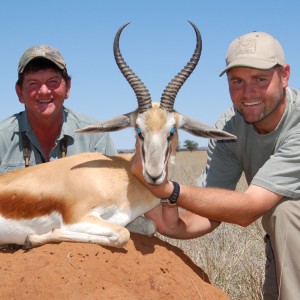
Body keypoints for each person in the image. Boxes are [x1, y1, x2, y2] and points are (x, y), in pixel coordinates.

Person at [131, 31, 300, 300]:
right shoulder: (231, 125)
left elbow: (248, 210)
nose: (248, 92)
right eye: (237, 81)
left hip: (292, 234)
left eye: (260, 79)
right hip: (285, 248)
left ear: (285, 75)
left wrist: (169, 191)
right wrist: (172, 223)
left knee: (287, 212)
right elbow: (209, 214)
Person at [0, 45, 117, 173]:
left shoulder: (94, 136)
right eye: (33, 83)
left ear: (67, 88)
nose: (44, 91)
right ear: (20, 93)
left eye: (53, 81)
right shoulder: (2, 138)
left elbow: (115, 188)